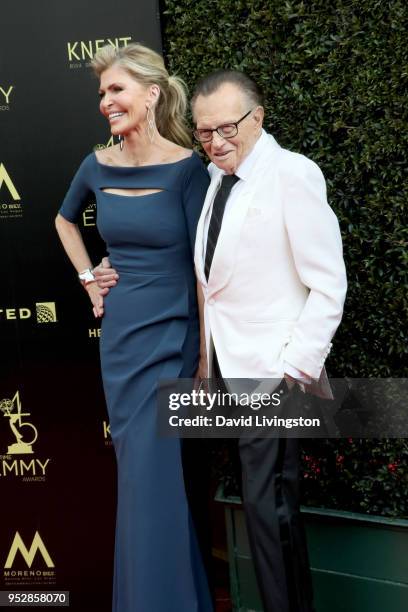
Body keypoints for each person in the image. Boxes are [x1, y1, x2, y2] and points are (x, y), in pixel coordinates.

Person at [95, 70, 347, 612]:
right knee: (258, 509)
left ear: (257, 118)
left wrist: (293, 371)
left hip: (273, 377)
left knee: (268, 509)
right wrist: (111, 264)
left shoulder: (291, 174)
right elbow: (197, 263)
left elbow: (328, 285)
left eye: (228, 128)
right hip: (219, 373)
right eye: (205, 132)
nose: (216, 141)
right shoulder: (212, 181)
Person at [55, 43, 213, 612]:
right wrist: (87, 277)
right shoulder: (95, 164)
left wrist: (203, 359)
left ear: (150, 94)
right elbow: (63, 219)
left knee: (155, 477)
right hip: (121, 339)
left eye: (116, 89)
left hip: (173, 335)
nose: (105, 101)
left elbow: (203, 269)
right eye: (101, 92)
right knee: (141, 478)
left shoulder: (189, 167)